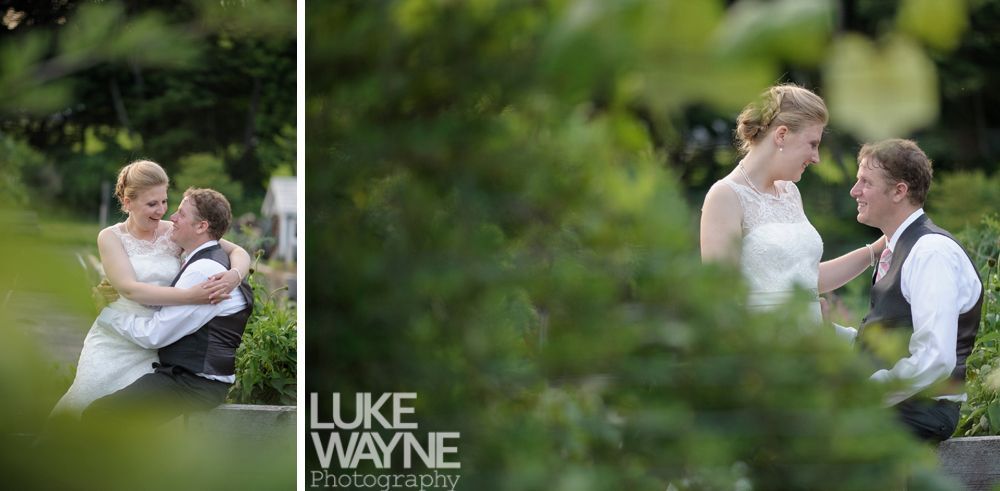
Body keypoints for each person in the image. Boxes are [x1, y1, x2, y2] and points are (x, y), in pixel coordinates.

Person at [49, 161, 250, 419]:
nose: (162, 211)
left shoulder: (173, 232)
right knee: (88, 403)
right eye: (152, 204)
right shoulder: (110, 237)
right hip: (119, 337)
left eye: (164, 202)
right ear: (127, 201)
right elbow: (130, 290)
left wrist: (235, 275)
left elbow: (236, 250)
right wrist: (189, 296)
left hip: (159, 336)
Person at [835, 139, 983, 442]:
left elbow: (935, 358)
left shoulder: (931, 252)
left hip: (922, 411)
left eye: (866, 182)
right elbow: (887, 341)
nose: (855, 191)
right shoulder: (898, 249)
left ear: (899, 191)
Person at [700, 83, 886, 322]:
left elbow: (807, 279)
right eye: (813, 144)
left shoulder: (789, 192)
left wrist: (876, 250)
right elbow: (720, 300)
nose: (816, 158)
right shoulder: (725, 196)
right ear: (782, 135)